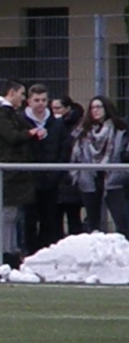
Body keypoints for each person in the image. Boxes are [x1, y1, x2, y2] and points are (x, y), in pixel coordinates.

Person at [0, 79, 40, 268]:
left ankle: (11, 249)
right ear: (12, 93)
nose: (23, 98)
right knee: (8, 212)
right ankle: (6, 252)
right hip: (9, 170)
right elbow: (12, 136)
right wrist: (31, 134)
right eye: (21, 94)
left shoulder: (10, 113)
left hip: (16, 170)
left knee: (13, 213)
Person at [70, 95, 129, 238]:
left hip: (114, 178)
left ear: (106, 108)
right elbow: (76, 155)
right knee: (93, 222)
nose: (95, 110)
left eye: (98, 107)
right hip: (89, 178)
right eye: (92, 108)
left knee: (122, 219)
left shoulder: (120, 130)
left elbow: (123, 153)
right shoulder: (83, 131)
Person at [23, 84, 67, 252]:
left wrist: (56, 173)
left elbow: (64, 149)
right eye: (36, 100)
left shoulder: (57, 123)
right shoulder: (21, 122)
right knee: (29, 220)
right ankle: (31, 254)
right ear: (29, 101)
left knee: (49, 219)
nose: (40, 103)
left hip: (51, 179)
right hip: (29, 180)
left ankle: (47, 254)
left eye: (43, 100)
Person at [52, 95, 84, 236]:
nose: (54, 111)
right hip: (57, 178)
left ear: (68, 108)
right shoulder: (52, 124)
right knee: (55, 218)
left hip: (71, 177)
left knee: (73, 216)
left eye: (58, 108)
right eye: (52, 108)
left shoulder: (77, 127)